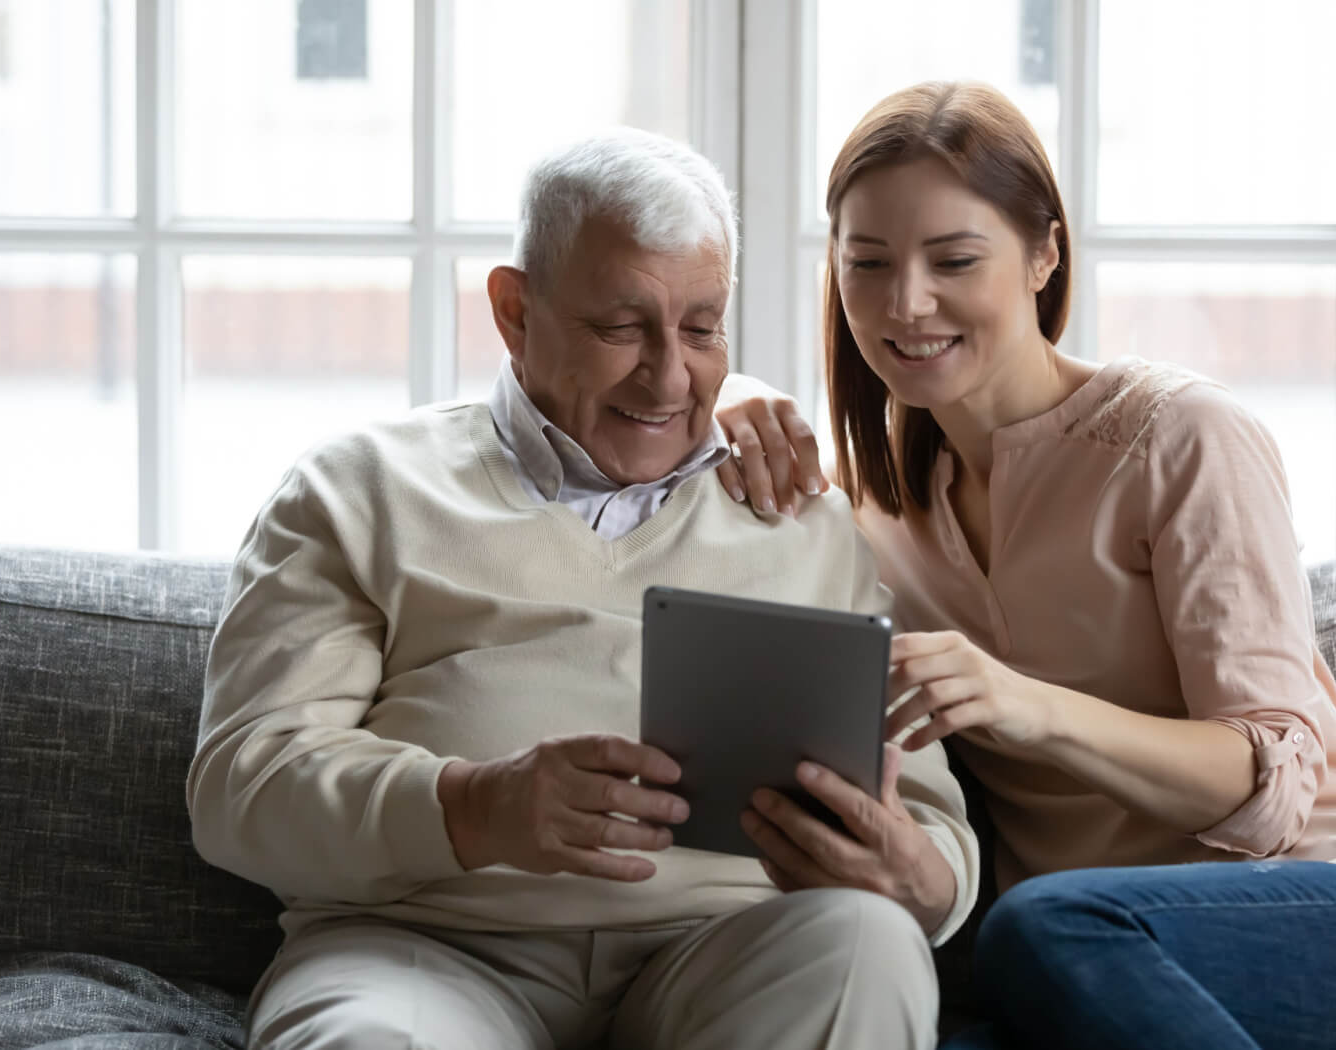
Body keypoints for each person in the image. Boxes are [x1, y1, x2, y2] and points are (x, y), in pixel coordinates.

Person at [715, 81, 1336, 1049]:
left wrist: (1021, 704)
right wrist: (729, 394)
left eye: (954, 259)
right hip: (1086, 970)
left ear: (1044, 253)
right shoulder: (869, 520)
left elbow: (1274, 788)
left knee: (1043, 925)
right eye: (865, 264)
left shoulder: (1179, 437)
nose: (904, 304)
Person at [187, 127, 979, 1050]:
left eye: (701, 328)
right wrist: (473, 806)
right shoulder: (358, 489)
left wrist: (922, 881)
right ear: (514, 311)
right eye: (620, 328)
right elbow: (243, 785)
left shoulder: (796, 513)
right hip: (428, 949)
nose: (670, 375)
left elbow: (930, 818)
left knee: (867, 947)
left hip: (725, 952)